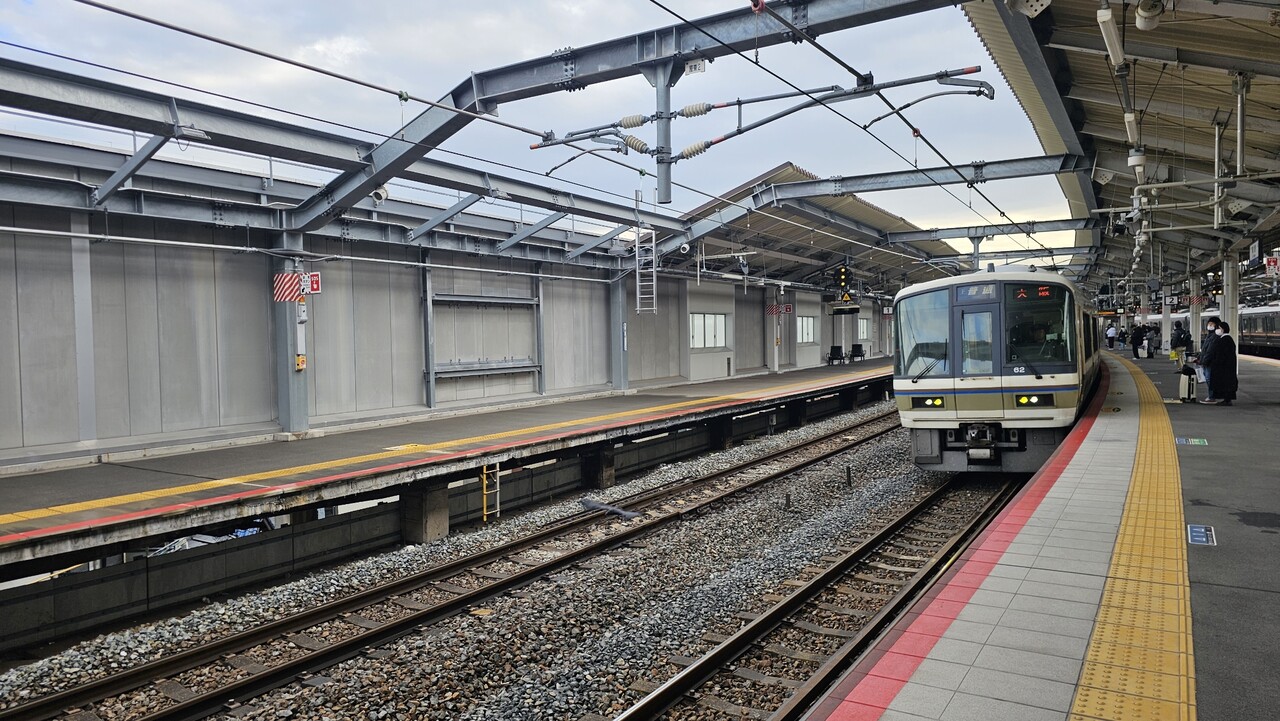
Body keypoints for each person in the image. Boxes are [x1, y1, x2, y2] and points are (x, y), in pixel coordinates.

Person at [1198, 320, 1237, 405]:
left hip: (1224, 367)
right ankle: (1226, 400)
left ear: (1222, 329)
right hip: (1226, 366)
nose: (1217, 330)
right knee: (1225, 383)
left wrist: (1215, 362)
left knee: (1225, 383)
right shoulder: (1226, 339)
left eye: (1218, 328)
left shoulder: (1225, 340)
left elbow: (1219, 353)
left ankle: (1225, 400)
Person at [1197, 316, 1221, 398]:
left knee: (1209, 379)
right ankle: (1211, 396)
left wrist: (1204, 360)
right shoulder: (1209, 335)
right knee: (1207, 378)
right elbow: (1205, 349)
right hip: (1206, 361)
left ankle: (1212, 396)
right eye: (1209, 324)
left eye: (1212, 324)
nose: (1209, 325)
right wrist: (1199, 357)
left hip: (1210, 362)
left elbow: (1210, 350)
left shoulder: (1215, 336)